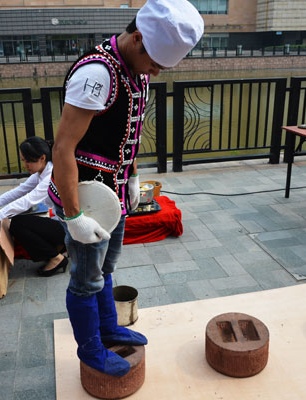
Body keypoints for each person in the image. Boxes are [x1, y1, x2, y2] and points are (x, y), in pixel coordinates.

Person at [48, 0, 203, 377]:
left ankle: (108, 327)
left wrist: (133, 175)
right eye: (155, 63)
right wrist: (74, 216)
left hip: (113, 195)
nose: (156, 72)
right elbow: (63, 148)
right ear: (137, 39)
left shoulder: (137, 70)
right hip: (85, 198)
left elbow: (129, 131)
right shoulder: (96, 74)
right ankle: (90, 349)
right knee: (85, 278)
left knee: (106, 267)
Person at [0, 136, 67, 277]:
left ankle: (56, 258)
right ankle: (57, 247)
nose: (25, 165)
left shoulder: (50, 175)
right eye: (23, 160)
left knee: (18, 224)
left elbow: (27, 200)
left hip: (66, 227)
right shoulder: (42, 172)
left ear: (42, 158)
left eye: (28, 160)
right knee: (20, 219)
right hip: (57, 220)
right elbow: (19, 191)